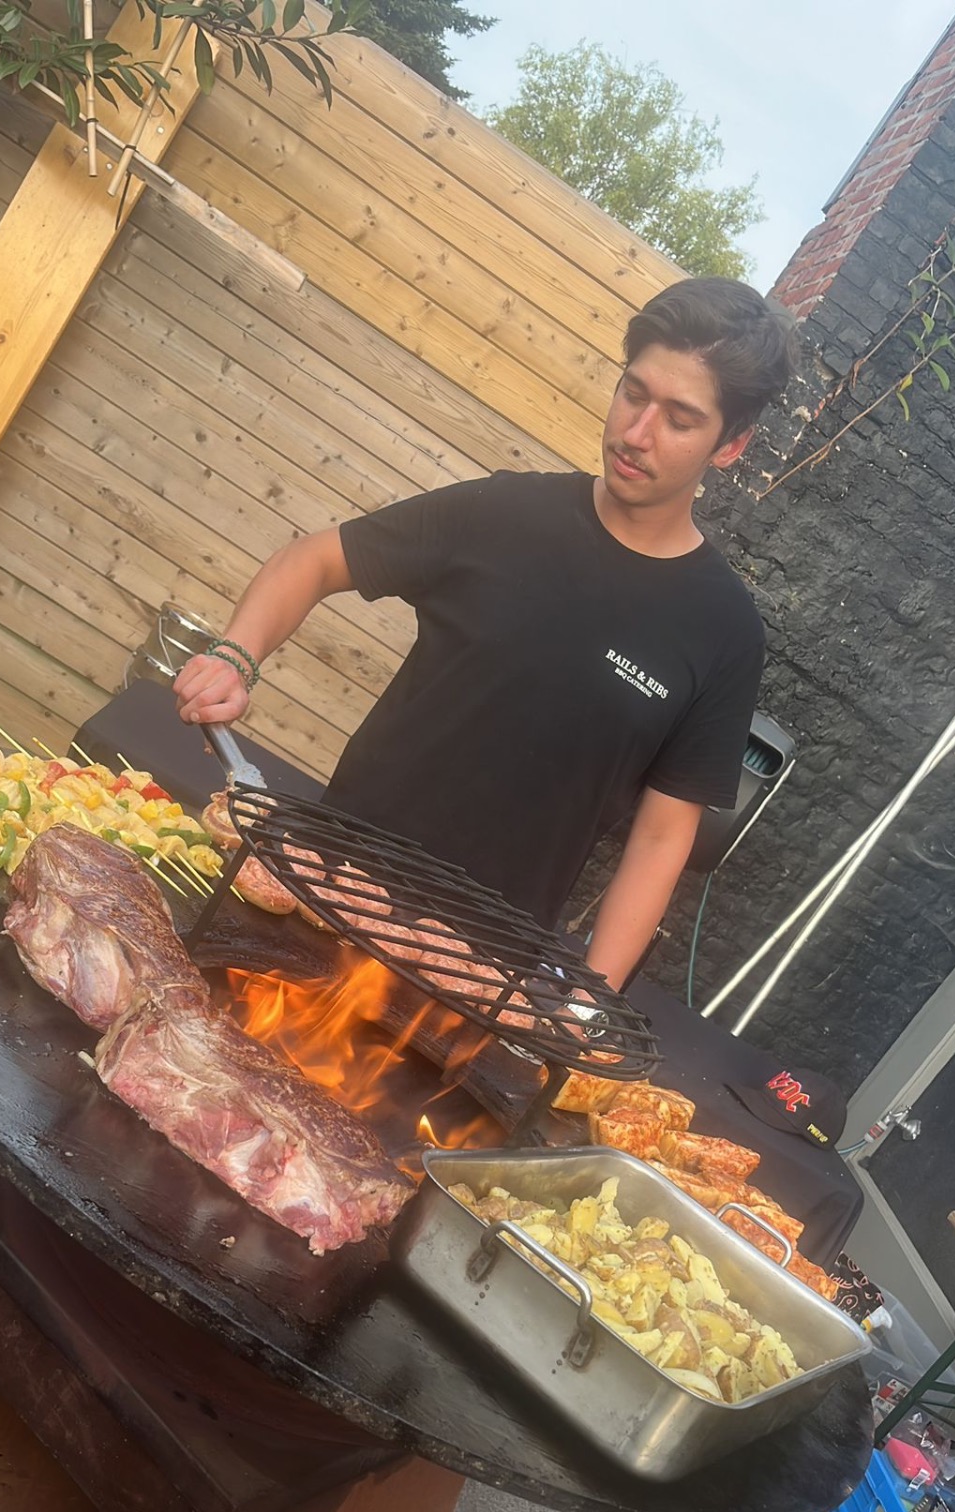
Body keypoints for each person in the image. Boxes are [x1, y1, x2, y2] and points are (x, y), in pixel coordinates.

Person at [174, 278, 796, 988]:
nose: (636, 433)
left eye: (679, 419)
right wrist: (235, 656)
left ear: (730, 444)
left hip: (476, 972)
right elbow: (313, 560)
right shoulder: (504, 512)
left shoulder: (724, 631)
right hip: (322, 887)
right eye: (634, 393)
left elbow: (662, 836)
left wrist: (584, 1000)